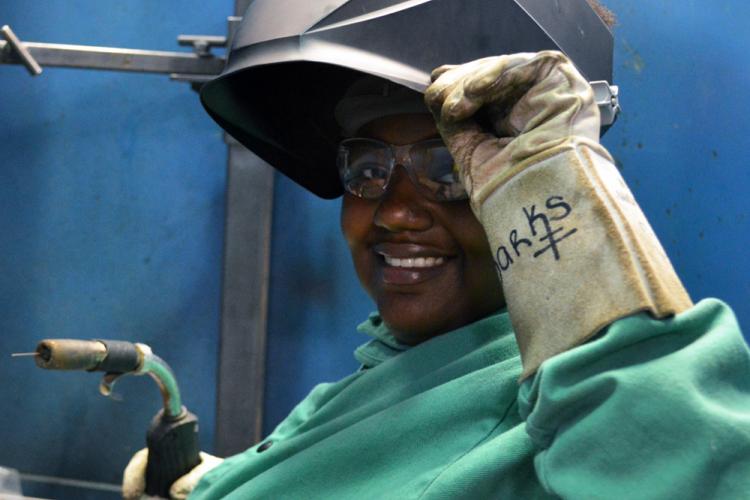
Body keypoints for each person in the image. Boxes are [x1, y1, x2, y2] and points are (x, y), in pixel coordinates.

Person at [124, 1, 750, 498]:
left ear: (531, 184)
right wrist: (228, 483)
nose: (394, 211)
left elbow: (684, 471)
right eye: (366, 167)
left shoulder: (560, 414)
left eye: (450, 167)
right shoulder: (408, 369)